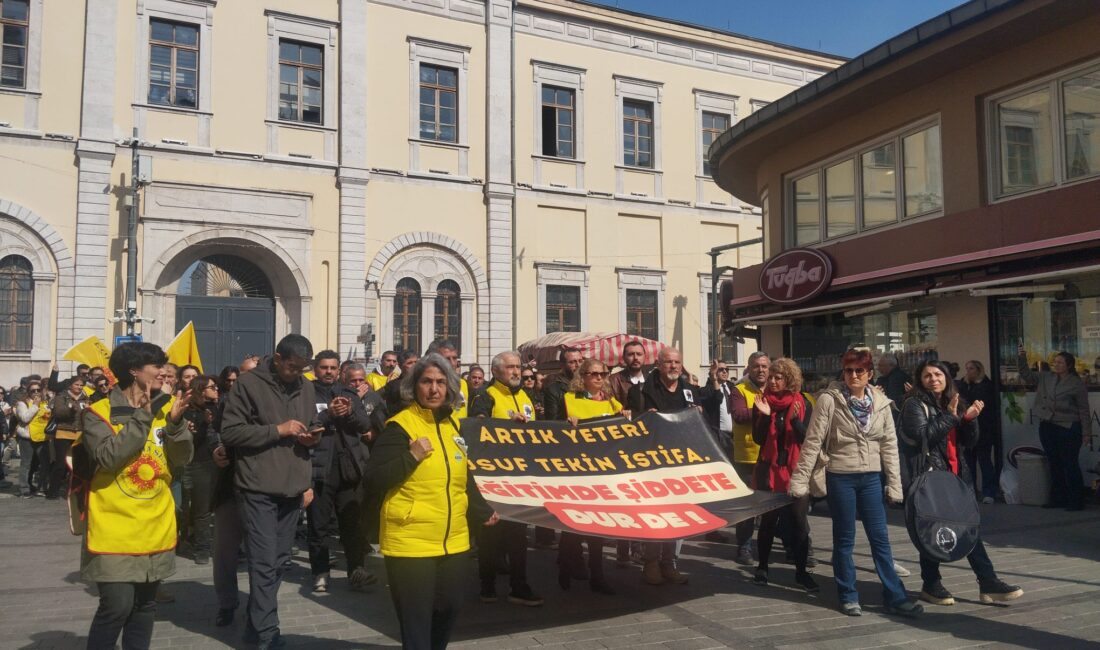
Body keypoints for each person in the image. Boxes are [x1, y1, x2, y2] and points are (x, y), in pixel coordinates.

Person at [365, 353, 498, 650]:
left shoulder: (453, 426)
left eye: (440, 382)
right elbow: (373, 479)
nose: (434, 389)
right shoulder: (400, 426)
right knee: (416, 619)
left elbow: (464, 476)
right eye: (426, 382)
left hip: (454, 539)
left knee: (449, 607)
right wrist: (409, 457)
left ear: (450, 387)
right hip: (411, 539)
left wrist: (481, 510)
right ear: (415, 386)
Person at [789, 348, 922, 618]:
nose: (853, 375)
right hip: (840, 476)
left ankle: (895, 596)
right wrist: (800, 480)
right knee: (845, 539)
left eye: (859, 371)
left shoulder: (881, 402)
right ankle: (848, 594)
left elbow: (889, 446)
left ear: (869, 374)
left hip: (872, 477)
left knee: (880, 539)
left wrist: (894, 485)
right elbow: (813, 441)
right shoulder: (829, 400)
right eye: (848, 370)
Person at [81, 342, 193, 650]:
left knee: (145, 607)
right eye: (155, 366)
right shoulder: (98, 413)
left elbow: (182, 459)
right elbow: (109, 456)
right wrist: (144, 416)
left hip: (155, 523)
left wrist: (176, 424)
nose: (163, 372)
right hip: (113, 525)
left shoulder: (166, 408)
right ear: (133, 371)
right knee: (116, 606)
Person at [220, 334, 322, 649]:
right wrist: (277, 430)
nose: (298, 374)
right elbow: (231, 432)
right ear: (277, 359)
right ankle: (267, 634)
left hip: (293, 487)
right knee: (263, 561)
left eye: (304, 369)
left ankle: (256, 622)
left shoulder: (306, 386)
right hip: (258, 487)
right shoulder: (248, 385)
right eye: (293, 367)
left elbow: (311, 423)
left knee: (278, 561)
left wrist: (311, 437)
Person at [899, 360, 1023, 607]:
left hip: (956, 476)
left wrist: (969, 420)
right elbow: (922, 436)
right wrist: (950, 417)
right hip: (931, 476)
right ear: (920, 380)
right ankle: (932, 583)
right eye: (927, 375)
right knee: (931, 530)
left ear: (946, 377)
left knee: (967, 527)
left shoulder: (952, 399)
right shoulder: (914, 404)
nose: (933, 379)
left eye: (938, 374)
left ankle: (987, 582)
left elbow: (970, 442)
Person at [627, 346, 717, 586]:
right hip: (653, 463)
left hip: (682, 462)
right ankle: (651, 562)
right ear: (659, 364)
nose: (674, 366)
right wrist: (646, 417)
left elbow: (701, 423)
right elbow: (632, 425)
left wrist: (699, 414)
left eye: (677, 362)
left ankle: (670, 562)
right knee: (657, 515)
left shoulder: (689, 390)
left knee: (679, 515)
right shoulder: (641, 391)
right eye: (668, 362)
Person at [468, 351, 544, 607]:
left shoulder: (525, 395)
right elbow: (477, 426)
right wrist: (503, 425)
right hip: (493, 477)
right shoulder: (485, 394)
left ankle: (519, 586)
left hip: (521, 476)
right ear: (496, 371)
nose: (515, 372)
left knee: (518, 535)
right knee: (490, 534)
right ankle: (487, 585)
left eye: (517, 367)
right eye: (510, 367)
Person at [556, 358, 629, 595]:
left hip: (602, 471)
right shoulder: (569, 399)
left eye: (603, 374)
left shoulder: (611, 402)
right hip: (577, 470)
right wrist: (566, 424)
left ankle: (597, 575)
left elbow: (625, 425)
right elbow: (553, 429)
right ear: (583, 376)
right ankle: (565, 565)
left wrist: (627, 416)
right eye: (594, 374)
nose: (599, 378)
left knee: (597, 526)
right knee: (572, 526)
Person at [307, 351, 375, 593]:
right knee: (319, 526)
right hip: (319, 470)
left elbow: (366, 426)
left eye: (333, 368)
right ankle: (320, 571)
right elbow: (305, 425)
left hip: (348, 469)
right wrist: (328, 415)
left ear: (339, 371)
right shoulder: (305, 393)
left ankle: (357, 570)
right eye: (324, 367)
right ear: (316, 369)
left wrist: (349, 413)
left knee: (352, 524)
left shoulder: (348, 394)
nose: (328, 371)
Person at [750, 358, 817, 592]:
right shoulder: (761, 402)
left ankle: (801, 572)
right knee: (768, 521)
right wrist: (766, 415)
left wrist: (797, 421)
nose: (773, 381)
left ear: (789, 379)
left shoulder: (802, 403)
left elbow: (806, 439)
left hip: (794, 471)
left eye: (779, 377)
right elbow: (759, 438)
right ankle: (762, 567)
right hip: (769, 470)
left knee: (799, 524)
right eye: (771, 377)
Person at [1017, 346, 1091, 511]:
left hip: (1068, 426)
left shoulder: (1076, 383)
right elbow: (1027, 375)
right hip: (1048, 425)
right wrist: (1022, 358)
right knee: (1054, 463)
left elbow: (1084, 410)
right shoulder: (1046, 377)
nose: (1056, 365)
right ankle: (1058, 498)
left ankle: (1076, 500)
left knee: (1070, 463)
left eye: (1059, 362)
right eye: (1055, 362)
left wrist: (1086, 433)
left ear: (1068, 365)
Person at [728, 351, 770, 565]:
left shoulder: (775, 388)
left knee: (773, 505)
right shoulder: (739, 390)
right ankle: (743, 547)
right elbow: (738, 415)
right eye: (756, 366)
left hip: (771, 456)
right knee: (747, 507)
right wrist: (761, 410)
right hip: (747, 457)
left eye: (764, 366)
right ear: (749, 368)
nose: (761, 370)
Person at [180, 375, 222, 564]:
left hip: (211, 464)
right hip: (191, 463)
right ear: (201, 390)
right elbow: (190, 442)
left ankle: (207, 547)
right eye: (212, 387)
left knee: (208, 508)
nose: (216, 389)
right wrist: (200, 425)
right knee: (191, 508)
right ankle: (193, 544)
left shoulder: (216, 408)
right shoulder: (187, 411)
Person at [957, 360, 1001, 503]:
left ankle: (990, 491)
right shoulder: (964, 385)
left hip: (984, 430)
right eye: (967, 368)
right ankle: (971, 491)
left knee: (984, 461)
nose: (968, 371)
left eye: (971, 368)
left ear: (978, 370)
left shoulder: (986, 386)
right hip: (968, 430)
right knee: (968, 464)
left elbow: (985, 407)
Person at [47, 376, 87, 500]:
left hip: (79, 434)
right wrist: (70, 410)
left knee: (77, 464)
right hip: (63, 433)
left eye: (81, 385)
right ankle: (53, 491)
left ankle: (75, 491)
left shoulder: (85, 398)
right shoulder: (61, 397)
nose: (79, 387)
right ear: (70, 385)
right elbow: (58, 412)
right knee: (61, 464)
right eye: (77, 385)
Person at [542, 348, 584, 420]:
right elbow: (552, 420)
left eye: (580, 361)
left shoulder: (587, 382)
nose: (578, 365)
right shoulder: (554, 387)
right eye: (572, 362)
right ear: (562, 365)